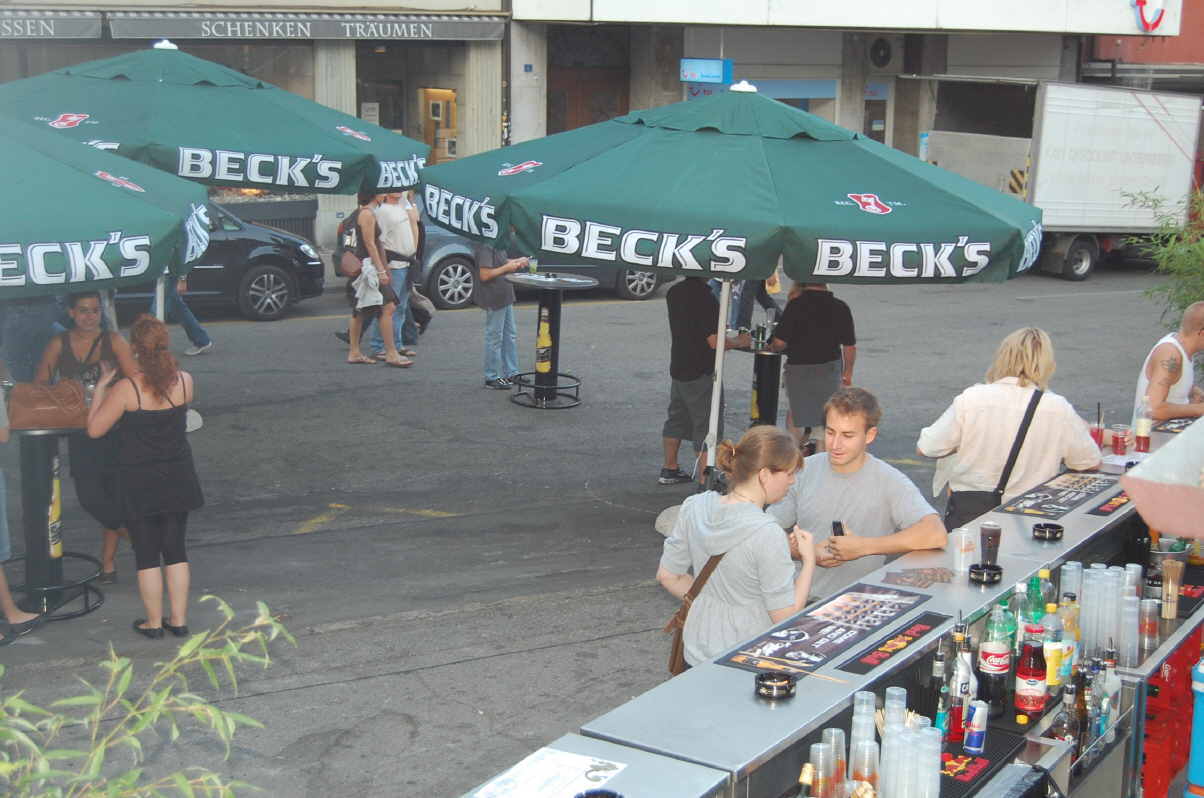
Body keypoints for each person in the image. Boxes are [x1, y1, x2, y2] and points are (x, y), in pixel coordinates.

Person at [656, 426, 814, 668]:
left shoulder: (694, 506)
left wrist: (711, 604)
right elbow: (785, 616)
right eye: (790, 473)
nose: (792, 481)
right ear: (765, 475)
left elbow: (668, 576)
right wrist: (809, 561)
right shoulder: (767, 532)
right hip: (749, 657)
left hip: (696, 652)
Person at [917, 328, 1103, 531]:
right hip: (1032, 513)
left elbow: (926, 447)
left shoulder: (973, 398)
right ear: (1046, 363)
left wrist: (961, 444)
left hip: (970, 511)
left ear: (1003, 356)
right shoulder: (1057, 407)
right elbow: (1090, 461)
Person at [768, 387, 947, 599]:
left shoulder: (889, 481)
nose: (835, 444)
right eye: (830, 432)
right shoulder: (802, 471)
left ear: (870, 435)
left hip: (859, 602)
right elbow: (768, 531)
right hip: (799, 599)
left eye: (847, 435)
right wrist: (806, 553)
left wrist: (864, 547)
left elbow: (935, 533)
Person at [87, 315, 204, 639]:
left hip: (139, 479)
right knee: (175, 549)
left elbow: (95, 430)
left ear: (135, 348)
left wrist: (99, 391)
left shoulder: (127, 389)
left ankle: (153, 623)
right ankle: (178, 620)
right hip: (178, 474)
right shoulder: (185, 381)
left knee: (147, 552)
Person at [36, 292, 138, 583]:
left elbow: (136, 381)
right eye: (83, 310)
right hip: (81, 433)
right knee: (91, 500)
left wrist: (110, 392)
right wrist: (65, 393)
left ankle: (108, 564)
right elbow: (40, 384)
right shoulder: (59, 343)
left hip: (117, 431)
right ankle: (142, 542)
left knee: (112, 499)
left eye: (95, 310)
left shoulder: (114, 341)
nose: (90, 317)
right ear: (70, 312)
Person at [660, 277, 750, 488]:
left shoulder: (675, 291)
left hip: (679, 364)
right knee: (707, 424)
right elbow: (714, 341)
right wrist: (738, 341)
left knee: (676, 419)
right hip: (701, 370)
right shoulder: (706, 298)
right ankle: (705, 480)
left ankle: (669, 468)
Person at [769, 283, 856, 452]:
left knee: (796, 414)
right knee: (825, 420)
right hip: (829, 370)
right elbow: (850, 347)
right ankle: (821, 460)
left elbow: (780, 343)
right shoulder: (840, 307)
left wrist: (773, 347)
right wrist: (847, 374)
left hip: (799, 369)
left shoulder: (795, 305)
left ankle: (793, 456)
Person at [346, 191, 410, 368]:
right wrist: (381, 270)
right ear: (372, 193)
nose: (384, 192)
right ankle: (390, 353)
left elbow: (378, 245)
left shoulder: (371, 212)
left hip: (371, 266)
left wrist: (385, 269)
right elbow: (370, 244)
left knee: (360, 310)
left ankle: (355, 352)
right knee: (386, 307)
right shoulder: (366, 213)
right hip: (367, 267)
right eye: (381, 190)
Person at [367, 191, 420, 361]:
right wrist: (383, 269)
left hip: (406, 264)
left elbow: (416, 218)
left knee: (401, 308)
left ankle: (396, 344)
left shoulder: (401, 206)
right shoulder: (384, 211)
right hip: (394, 266)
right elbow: (380, 243)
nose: (400, 190)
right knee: (387, 308)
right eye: (395, 187)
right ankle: (378, 346)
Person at [1133, 301, 1204, 422]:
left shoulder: (1184, 350)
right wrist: (1198, 409)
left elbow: (1187, 391)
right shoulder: (1171, 354)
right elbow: (1153, 409)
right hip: (1152, 433)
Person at [472, 238, 525, 389]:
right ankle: (491, 377)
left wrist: (514, 262)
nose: (511, 232)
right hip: (494, 296)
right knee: (495, 337)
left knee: (509, 335)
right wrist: (508, 267)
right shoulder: (486, 244)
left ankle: (511, 372)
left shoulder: (499, 242)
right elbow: (485, 274)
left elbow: (497, 262)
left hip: (505, 294)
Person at [2, 295, 62, 382]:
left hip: (22, 303)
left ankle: (33, 389)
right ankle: (44, 388)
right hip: (47, 299)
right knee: (42, 355)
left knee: (13, 358)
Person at [152, 275, 211, 356]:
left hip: (169, 275)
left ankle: (150, 347)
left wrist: (182, 280)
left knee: (157, 312)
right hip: (163, 275)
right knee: (178, 308)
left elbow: (182, 265)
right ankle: (201, 340)